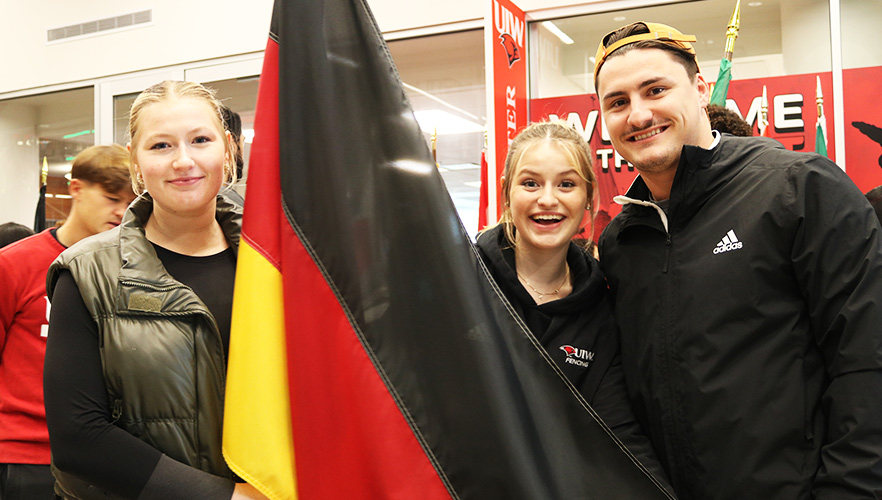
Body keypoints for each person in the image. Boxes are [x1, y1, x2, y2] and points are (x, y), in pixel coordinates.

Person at [593, 21, 882, 500]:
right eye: (618, 102)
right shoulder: (622, 242)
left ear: (701, 88)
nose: (639, 114)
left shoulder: (799, 188)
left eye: (656, 89)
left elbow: (867, 358)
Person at [43, 81, 267, 500]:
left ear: (229, 149)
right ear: (136, 162)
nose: (183, 160)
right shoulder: (87, 271)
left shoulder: (275, 263)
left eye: (201, 140)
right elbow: (79, 437)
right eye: (161, 146)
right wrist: (227, 497)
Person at [475, 120, 673, 495]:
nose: (547, 199)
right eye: (530, 183)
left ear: (587, 198)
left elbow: (619, 437)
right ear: (506, 194)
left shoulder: (600, 306)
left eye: (566, 184)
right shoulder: (463, 281)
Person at [0, 145, 134, 500]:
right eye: (110, 198)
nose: (121, 211)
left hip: (102, 457)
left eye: (129, 201)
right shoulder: (14, 264)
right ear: (76, 189)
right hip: (24, 457)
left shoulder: (129, 270)